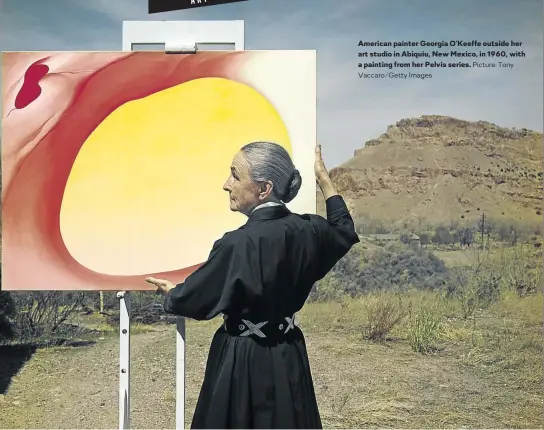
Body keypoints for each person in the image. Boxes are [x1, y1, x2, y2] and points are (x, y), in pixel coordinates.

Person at [145, 141, 360, 429]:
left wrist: (172, 294)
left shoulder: (237, 243)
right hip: (289, 352)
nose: (226, 184)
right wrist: (323, 179)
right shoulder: (311, 231)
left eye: (235, 175)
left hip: (242, 358)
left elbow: (195, 299)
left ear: (263, 189)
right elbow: (344, 230)